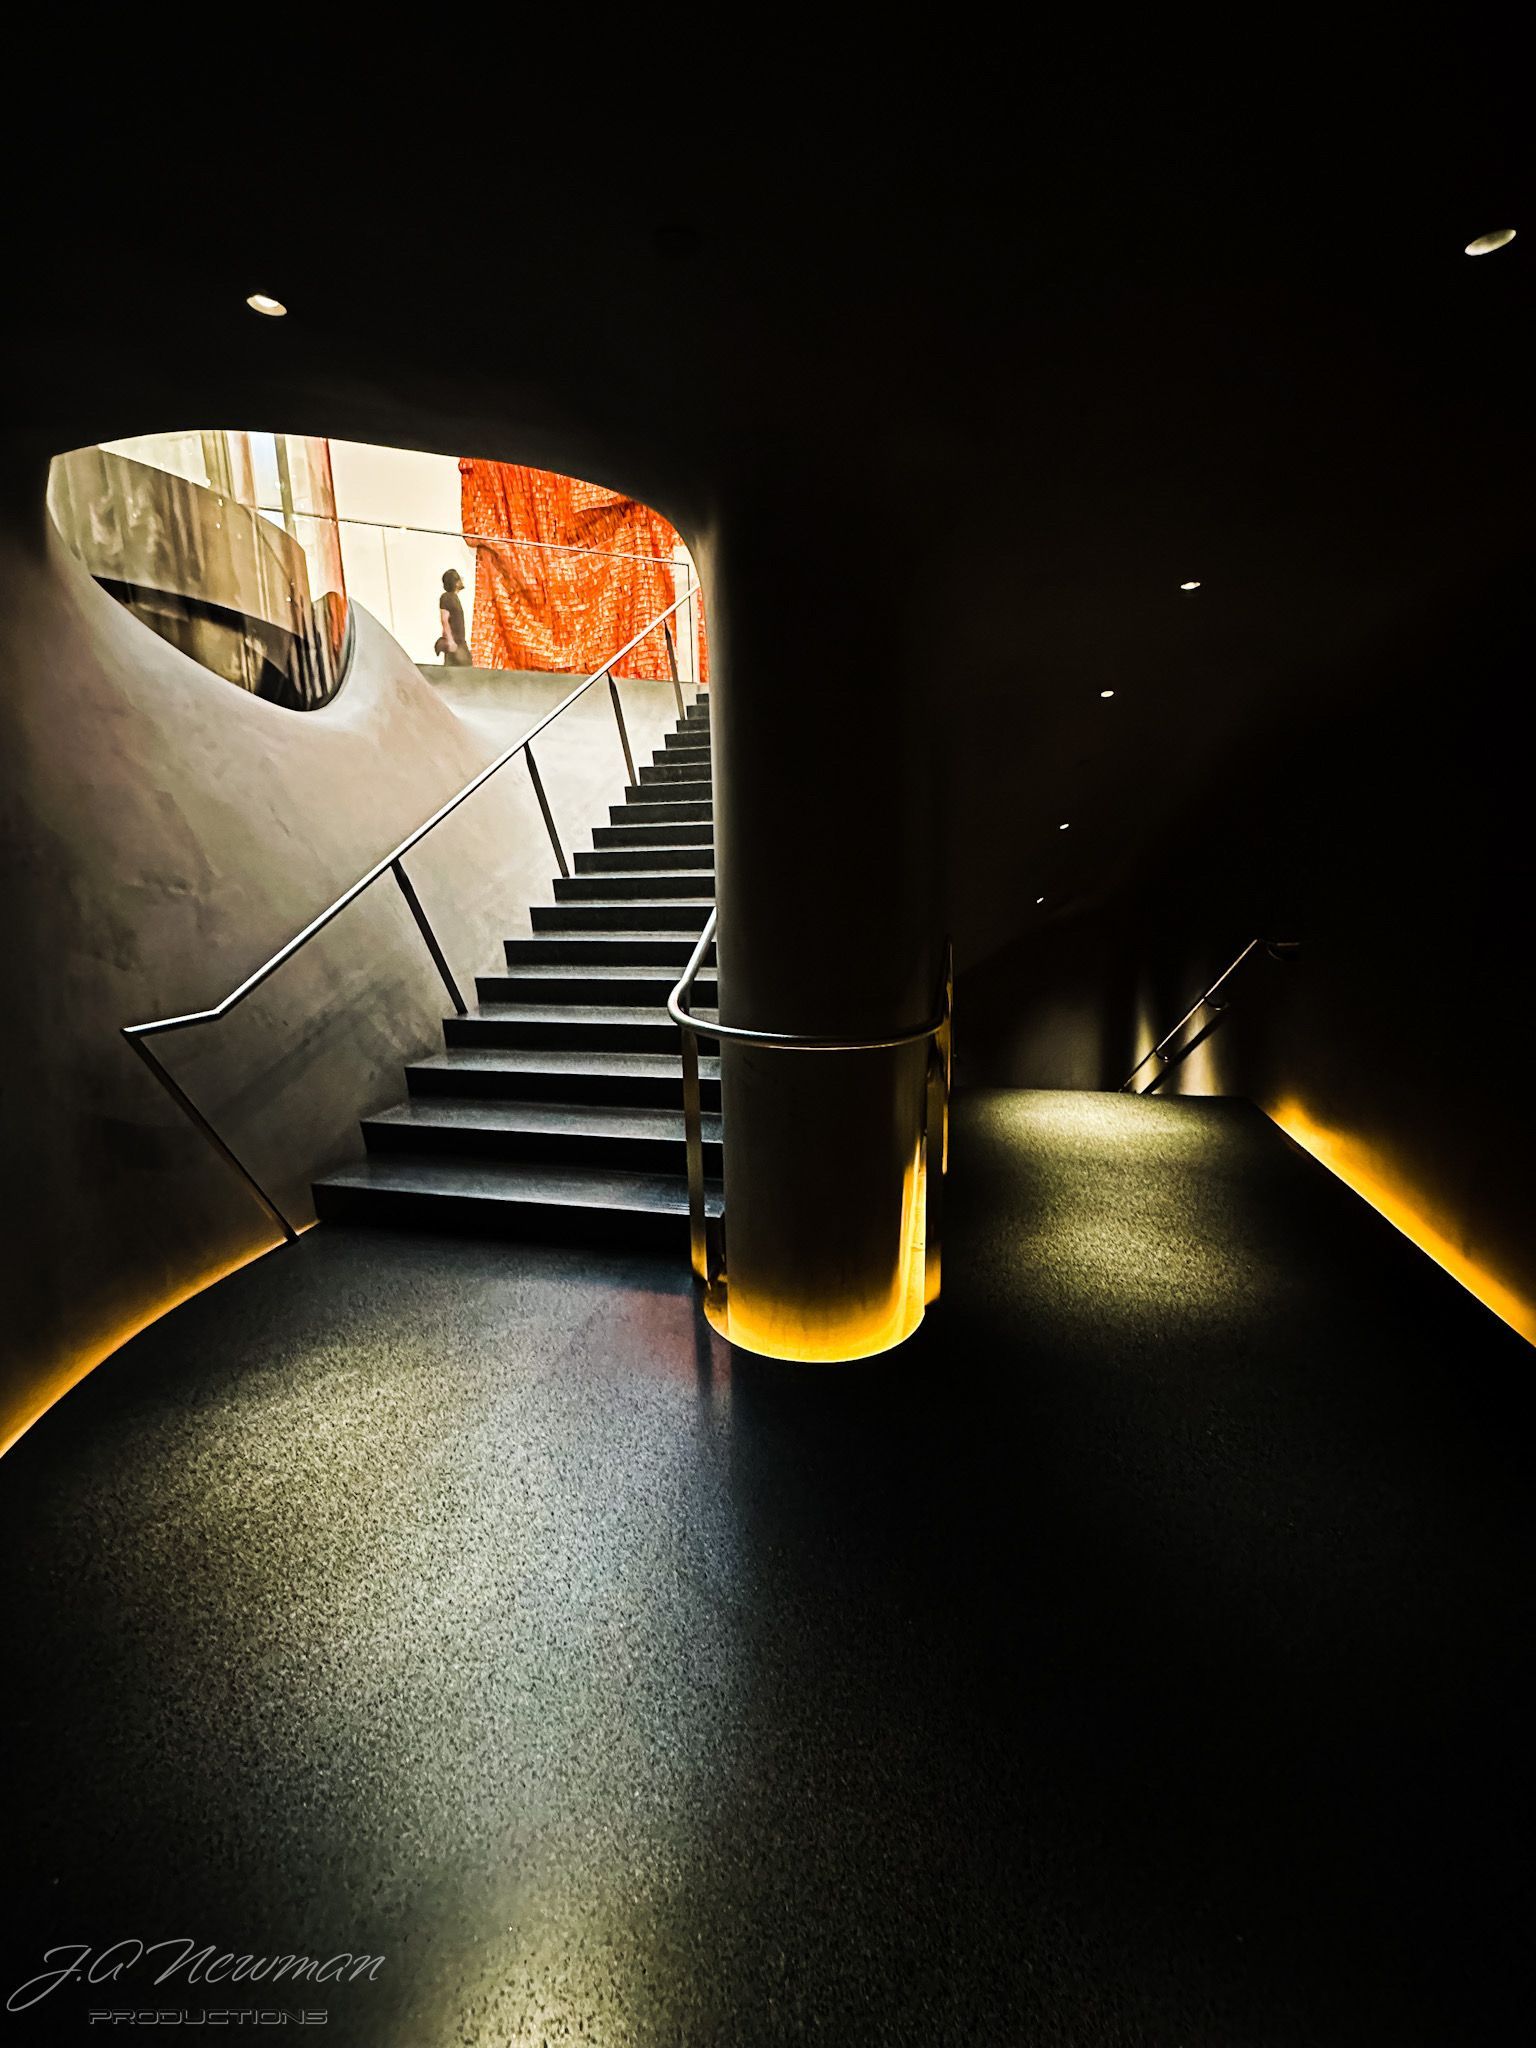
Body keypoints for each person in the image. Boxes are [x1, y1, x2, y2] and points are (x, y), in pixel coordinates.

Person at [435, 568, 471, 666]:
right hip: (455, 644)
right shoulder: (446, 597)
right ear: (455, 582)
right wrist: (450, 641)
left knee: (464, 671)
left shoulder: (454, 598)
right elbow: (444, 620)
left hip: (460, 642)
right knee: (457, 672)